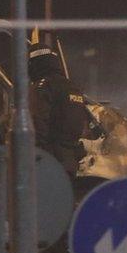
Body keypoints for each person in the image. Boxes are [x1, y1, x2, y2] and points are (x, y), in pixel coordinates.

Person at [28, 42, 89, 177]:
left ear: (34, 63)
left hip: (47, 163)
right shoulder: (72, 87)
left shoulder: (42, 87)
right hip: (69, 162)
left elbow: (35, 124)